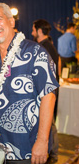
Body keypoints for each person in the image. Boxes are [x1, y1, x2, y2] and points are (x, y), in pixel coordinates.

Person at [0, 3, 59, 164]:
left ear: (11, 22)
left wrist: (42, 141)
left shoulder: (34, 52)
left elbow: (49, 96)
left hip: (27, 149)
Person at [32, 19, 59, 164]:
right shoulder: (51, 46)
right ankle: (53, 153)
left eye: (33, 29)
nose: (32, 32)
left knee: (49, 122)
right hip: (53, 89)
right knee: (51, 122)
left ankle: (52, 154)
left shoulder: (41, 48)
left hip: (47, 91)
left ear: (39, 30)